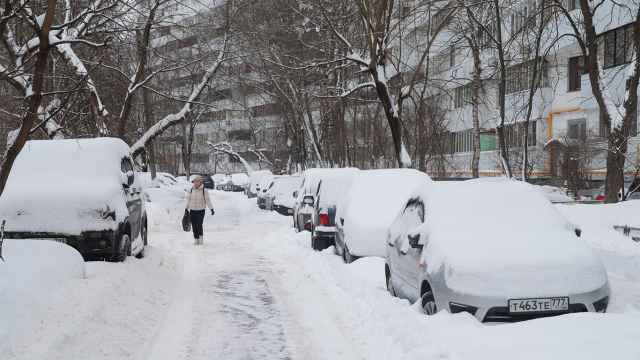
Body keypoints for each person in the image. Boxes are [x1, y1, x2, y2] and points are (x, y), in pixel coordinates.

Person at [185, 176, 214, 245]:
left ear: (200, 182)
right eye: (194, 182)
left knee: (199, 224)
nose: (195, 183)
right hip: (192, 210)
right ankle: (196, 239)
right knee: (194, 225)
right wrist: (186, 208)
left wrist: (211, 209)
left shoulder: (204, 190)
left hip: (201, 210)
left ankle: (201, 239)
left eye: (197, 182)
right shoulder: (191, 190)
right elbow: (188, 200)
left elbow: (207, 200)